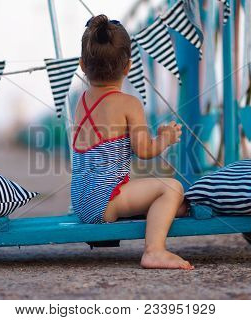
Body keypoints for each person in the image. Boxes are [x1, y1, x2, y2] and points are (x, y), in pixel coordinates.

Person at [71, 15, 193, 270]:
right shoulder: (128, 103)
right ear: (128, 67)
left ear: (83, 65)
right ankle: (154, 251)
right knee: (171, 188)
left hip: (82, 201)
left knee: (175, 205)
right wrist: (165, 139)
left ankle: (154, 214)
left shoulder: (80, 102)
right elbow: (144, 151)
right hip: (106, 201)